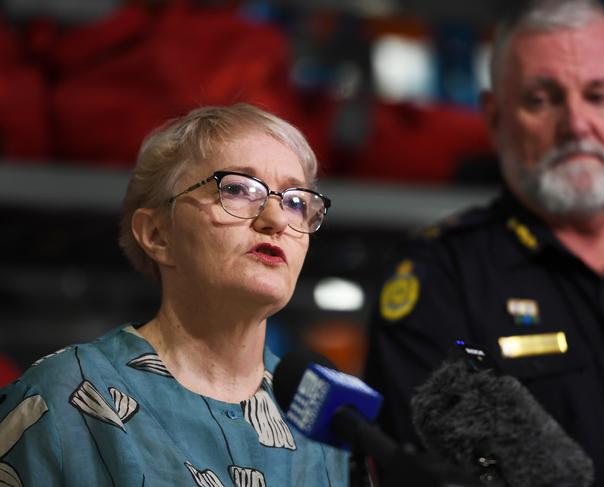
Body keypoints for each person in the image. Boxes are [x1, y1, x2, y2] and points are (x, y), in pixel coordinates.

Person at [364, 0, 604, 485]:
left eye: (599, 96)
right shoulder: (439, 280)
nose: (577, 125)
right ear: (494, 119)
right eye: (541, 100)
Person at [0, 103, 348, 486]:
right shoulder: (61, 397)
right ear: (156, 235)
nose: (277, 219)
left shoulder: (323, 416)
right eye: (237, 189)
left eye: (296, 202)